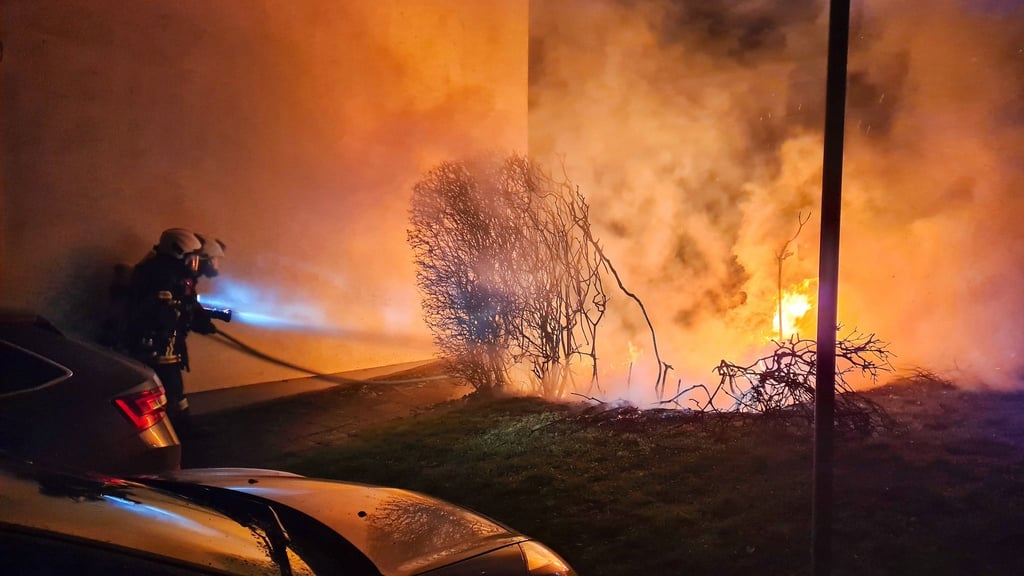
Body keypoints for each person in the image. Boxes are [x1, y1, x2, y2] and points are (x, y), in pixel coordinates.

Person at [120, 228, 205, 416]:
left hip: (164, 342)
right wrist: (193, 315)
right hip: (157, 342)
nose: (194, 263)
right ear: (179, 250)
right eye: (191, 257)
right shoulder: (162, 273)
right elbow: (166, 307)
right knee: (170, 387)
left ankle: (180, 429)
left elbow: (184, 302)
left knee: (171, 387)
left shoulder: (165, 271)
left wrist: (199, 317)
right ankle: (181, 431)